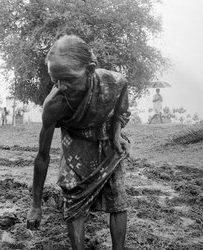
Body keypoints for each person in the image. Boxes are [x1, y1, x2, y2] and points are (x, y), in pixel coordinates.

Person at [27, 35, 131, 250]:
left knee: (117, 201)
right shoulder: (53, 105)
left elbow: (121, 112)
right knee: (73, 205)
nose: (61, 86)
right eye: (55, 79)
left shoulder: (116, 83)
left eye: (69, 79)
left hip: (107, 144)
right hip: (75, 147)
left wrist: (117, 134)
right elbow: (42, 157)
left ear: (90, 69)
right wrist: (36, 205)